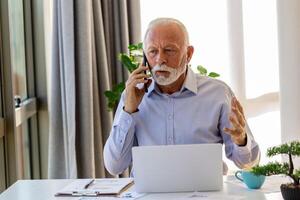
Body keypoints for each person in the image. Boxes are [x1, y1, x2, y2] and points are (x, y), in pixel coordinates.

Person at [104, 18, 260, 175]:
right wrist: (129, 110)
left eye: (169, 50)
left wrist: (241, 141)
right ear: (145, 56)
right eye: (153, 52)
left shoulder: (218, 93)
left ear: (189, 54)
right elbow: (114, 166)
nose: (160, 59)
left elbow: (249, 164)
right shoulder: (132, 96)